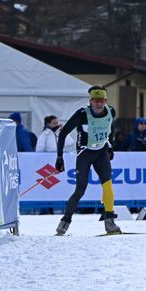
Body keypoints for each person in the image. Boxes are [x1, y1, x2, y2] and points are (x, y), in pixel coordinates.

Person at [54, 86, 121, 235]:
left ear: (106, 101)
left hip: (101, 153)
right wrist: (59, 157)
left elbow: (111, 128)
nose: (99, 104)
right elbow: (63, 134)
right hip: (85, 153)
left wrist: (111, 147)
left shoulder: (111, 111)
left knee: (108, 187)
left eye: (101, 101)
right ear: (90, 101)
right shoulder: (82, 114)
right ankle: (64, 223)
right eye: (96, 101)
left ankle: (110, 223)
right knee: (80, 189)